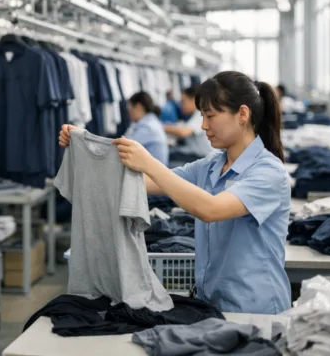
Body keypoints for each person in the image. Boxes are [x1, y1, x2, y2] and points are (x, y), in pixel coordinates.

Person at [58, 71, 291, 314]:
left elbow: (211, 209)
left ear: (243, 114)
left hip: (257, 311)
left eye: (210, 116)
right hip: (213, 305)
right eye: (202, 116)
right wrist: (86, 147)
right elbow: (146, 182)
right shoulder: (212, 165)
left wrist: (148, 162)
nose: (203, 126)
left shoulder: (269, 172)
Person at [164, 86, 214, 160]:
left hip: (203, 158)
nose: (181, 105)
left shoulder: (201, 115)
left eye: (183, 101)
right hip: (198, 156)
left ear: (194, 100)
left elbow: (183, 132)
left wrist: (160, 127)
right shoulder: (195, 116)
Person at [124, 92, 169, 166]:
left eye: (130, 108)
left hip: (152, 175)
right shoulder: (150, 122)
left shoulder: (148, 127)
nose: (128, 113)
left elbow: (124, 146)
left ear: (138, 107)